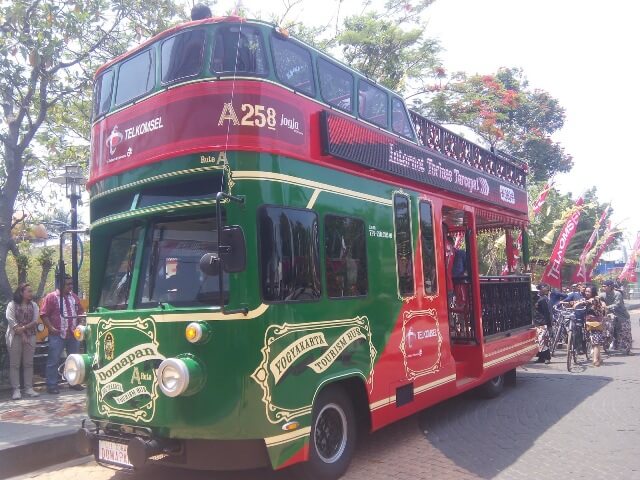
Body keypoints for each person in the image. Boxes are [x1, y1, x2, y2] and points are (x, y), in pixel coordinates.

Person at [41, 275, 85, 394]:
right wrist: (50, 327)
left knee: (75, 360)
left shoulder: (74, 297)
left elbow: (81, 312)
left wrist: (79, 324)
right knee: (53, 359)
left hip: (73, 333)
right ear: (60, 285)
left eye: (71, 284)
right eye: (68, 284)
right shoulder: (51, 297)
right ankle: (51, 385)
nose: (71, 286)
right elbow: (44, 314)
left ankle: (74, 382)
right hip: (57, 334)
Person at [5, 283, 40, 400]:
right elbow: (11, 322)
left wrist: (24, 330)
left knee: (28, 363)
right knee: (15, 364)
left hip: (31, 335)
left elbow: (35, 321)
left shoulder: (34, 305)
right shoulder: (12, 305)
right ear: (21, 292)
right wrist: (21, 333)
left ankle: (29, 388)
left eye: (31, 291)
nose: (31, 293)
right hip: (14, 336)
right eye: (28, 291)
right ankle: (16, 390)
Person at [578, 285, 607, 367]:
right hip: (588, 323)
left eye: (588, 291)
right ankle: (599, 359)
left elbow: (591, 301)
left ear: (593, 292)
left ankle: (595, 360)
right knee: (593, 342)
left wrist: (579, 303)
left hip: (596, 323)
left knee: (595, 342)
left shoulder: (596, 298)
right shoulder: (584, 299)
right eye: (586, 291)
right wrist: (567, 303)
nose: (586, 293)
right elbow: (578, 301)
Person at [600, 279, 632, 354]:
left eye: (604, 286)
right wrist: (601, 302)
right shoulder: (603, 294)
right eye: (602, 286)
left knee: (625, 333)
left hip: (622, 316)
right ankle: (605, 346)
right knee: (608, 331)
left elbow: (617, 305)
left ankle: (628, 350)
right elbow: (597, 299)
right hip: (611, 316)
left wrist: (606, 307)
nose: (603, 287)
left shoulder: (617, 294)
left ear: (610, 286)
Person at [534, 283, 552, 364]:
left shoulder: (543, 300)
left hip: (543, 322)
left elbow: (547, 313)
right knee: (538, 341)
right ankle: (541, 357)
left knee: (542, 341)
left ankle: (547, 357)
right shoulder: (539, 298)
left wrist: (549, 325)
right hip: (537, 322)